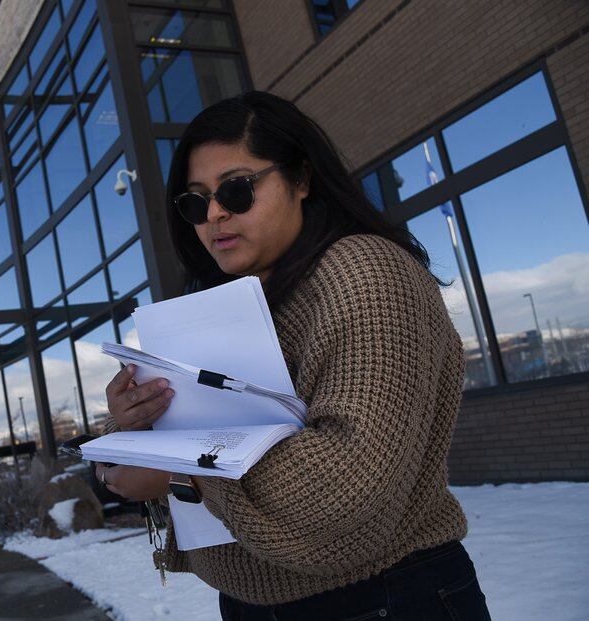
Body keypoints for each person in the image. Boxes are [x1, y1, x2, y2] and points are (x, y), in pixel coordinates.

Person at [95, 91, 492, 620]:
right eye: (194, 201)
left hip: (384, 596)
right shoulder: (232, 302)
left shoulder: (364, 274)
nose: (213, 213)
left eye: (236, 190)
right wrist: (135, 431)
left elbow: (345, 485)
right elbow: (215, 436)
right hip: (254, 603)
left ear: (301, 179)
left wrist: (178, 472)